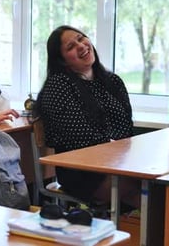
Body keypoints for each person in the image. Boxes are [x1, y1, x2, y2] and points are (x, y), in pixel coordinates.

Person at [34, 25, 140, 208]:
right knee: (148, 190)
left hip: (119, 163)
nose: (81, 45)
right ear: (62, 60)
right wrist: (114, 148)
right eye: (71, 47)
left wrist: (119, 152)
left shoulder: (112, 81)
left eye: (81, 38)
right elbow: (80, 138)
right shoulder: (58, 86)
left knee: (159, 186)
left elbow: (127, 128)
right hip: (82, 171)